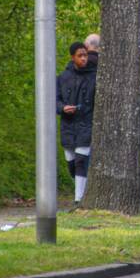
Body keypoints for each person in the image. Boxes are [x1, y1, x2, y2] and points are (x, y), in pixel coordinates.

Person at [57, 41, 97, 206]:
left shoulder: (94, 76)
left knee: (81, 159)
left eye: (85, 55)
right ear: (72, 57)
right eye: (80, 56)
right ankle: (83, 188)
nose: (83, 59)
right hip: (68, 124)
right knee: (71, 163)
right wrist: (63, 108)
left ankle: (78, 199)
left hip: (86, 123)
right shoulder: (63, 77)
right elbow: (54, 99)